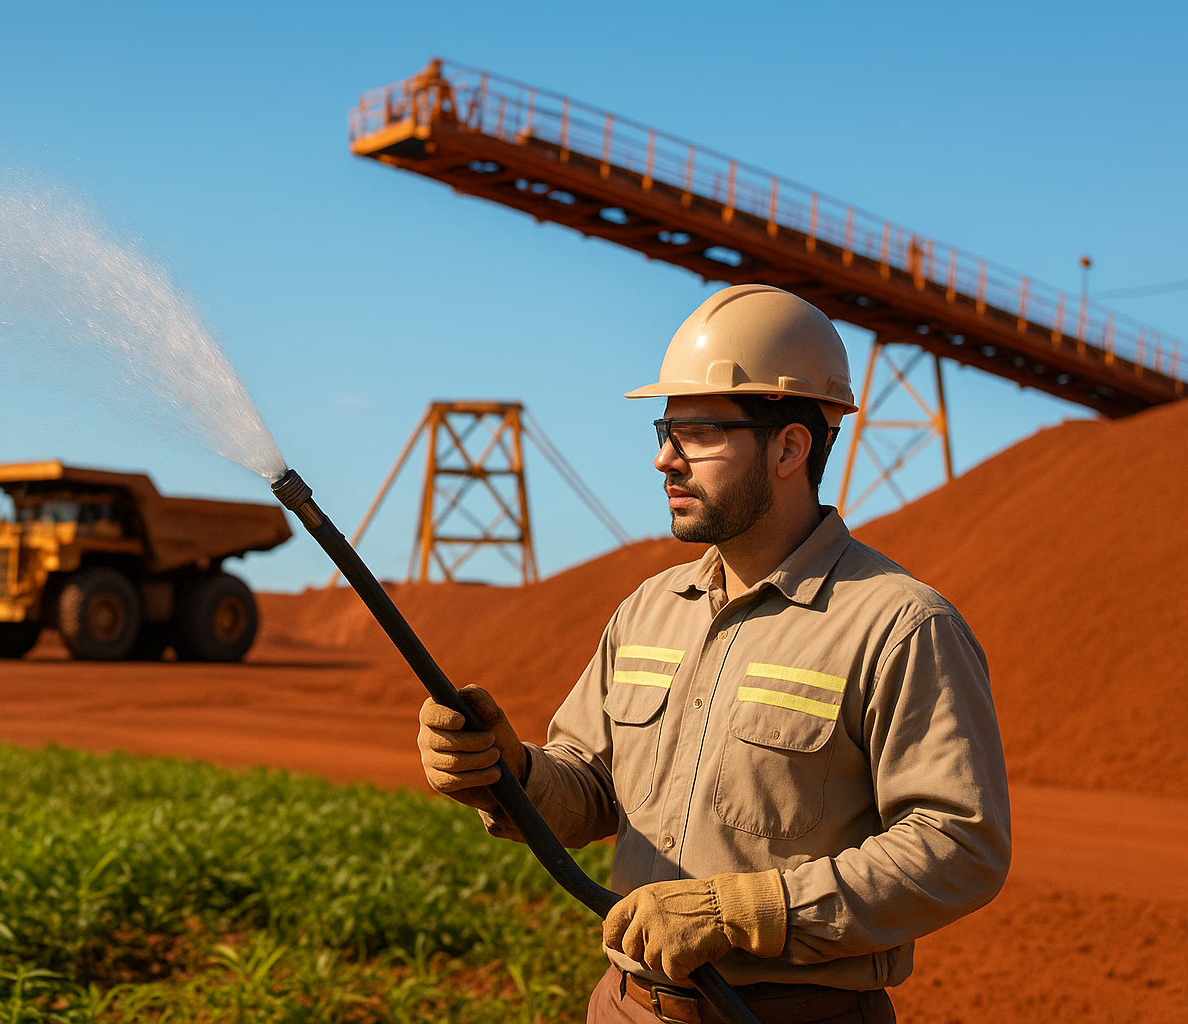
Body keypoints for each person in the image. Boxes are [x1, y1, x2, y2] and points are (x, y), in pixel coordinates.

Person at [416, 284, 1010, 1024]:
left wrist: (743, 910)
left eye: (698, 433)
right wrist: (508, 772)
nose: (664, 459)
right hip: (626, 1006)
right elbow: (593, 789)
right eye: (665, 430)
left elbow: (960, 845)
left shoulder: (899, 626)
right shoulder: (650, 610)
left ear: (789, 447)